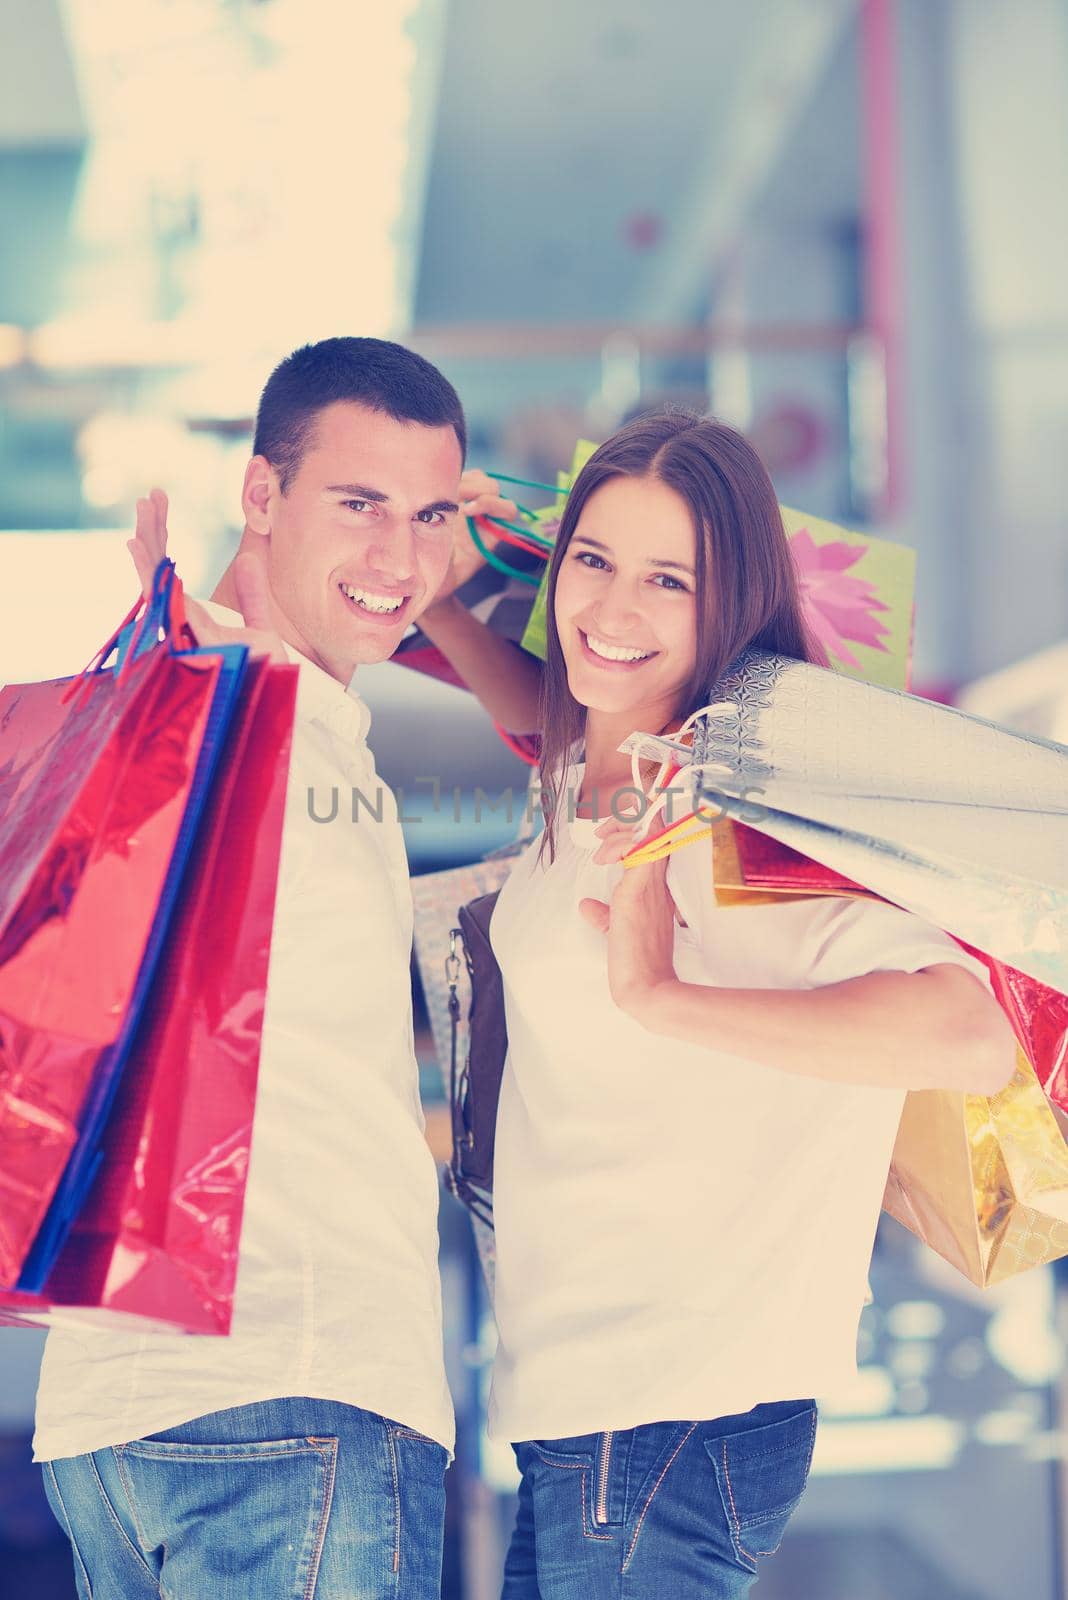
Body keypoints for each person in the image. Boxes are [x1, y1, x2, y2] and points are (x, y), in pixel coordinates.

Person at [444, 410, 1016, 1598]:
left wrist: (661, 997)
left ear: (731, 607)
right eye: (594, 560)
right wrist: (440, 599)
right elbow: (549, 710)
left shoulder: (741, 819)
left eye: (671, 580)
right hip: (590, 1407)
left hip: (670, 1407)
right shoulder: (601, 780)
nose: (613, 608)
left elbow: (970, 1030)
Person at [34, 336, 519, 1600]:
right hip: (296, 1400)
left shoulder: (219, 701)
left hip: (110, 1419)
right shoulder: (257, 709)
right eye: (358, 505)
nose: (398, 559)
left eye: (429, 518)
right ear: (260, 496)